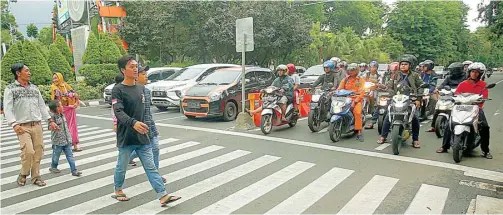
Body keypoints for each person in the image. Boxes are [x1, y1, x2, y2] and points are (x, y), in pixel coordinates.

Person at [111, 56, 181, 206]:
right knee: (121, 166)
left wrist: (148, 129)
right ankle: (118, 189)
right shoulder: (118, 90)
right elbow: (118, 111)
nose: (135, 69)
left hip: (143, 136)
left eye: (136, 66)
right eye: (131, 66)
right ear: (123, 70)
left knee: (151, 167)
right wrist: (133, 123)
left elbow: (145, 113)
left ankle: (162, 195)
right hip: (126, 137)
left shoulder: (142, 89)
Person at [3, 63, 59, 187]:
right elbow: (7, 109)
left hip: (37, 125)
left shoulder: (34, 88)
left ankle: (36, 177)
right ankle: (23, 173)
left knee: (38, 152)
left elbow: (41, 106)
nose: (29, 73)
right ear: (18, 73)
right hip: (22, 126)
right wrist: (14, 124)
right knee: (28, 151)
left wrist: (50, 121)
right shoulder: (10, 89)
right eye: (26, 71)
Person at [437, 62, 492, 159]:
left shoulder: (483, 85)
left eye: (477, 72)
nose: (474, 74)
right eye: (472, 72)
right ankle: (444, 146)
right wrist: (454, 98)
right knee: (449, 124)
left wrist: (478, 101)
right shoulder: (462, 84)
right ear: (469, 72)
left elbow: (484, 98)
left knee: (485, 127)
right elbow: (457, 94)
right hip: (461, 107)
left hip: (476, 108)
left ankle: (485, 150)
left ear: (481, 74)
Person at [127, 66, 167, 183]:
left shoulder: (147, 91)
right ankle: (126, 160)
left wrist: (152, 128)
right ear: (136, 76)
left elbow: (147, 112)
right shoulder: (130, 91)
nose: (146, 76)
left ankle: (156, 176)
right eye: (143, 74)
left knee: (155, 148)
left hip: (149, 126)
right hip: (137, 127)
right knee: (141, 149)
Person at [377, 54, 422, 148]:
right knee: (387, 116)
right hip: (396, 99)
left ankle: (415, 139)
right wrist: (391, 95)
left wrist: (418, 99)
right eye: (402, 64)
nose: (403, 66)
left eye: (406, 64)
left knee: (415, 118)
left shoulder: (415, 76)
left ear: (410, 65)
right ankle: (383, 136)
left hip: (410, 100)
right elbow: (389, 87)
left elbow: (420, 87)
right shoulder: (394, 75)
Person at [426, 62, 466, 132]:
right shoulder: (448, 77)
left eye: (452, 70)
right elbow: (442, 85)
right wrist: (437, 89)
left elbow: (467, 85)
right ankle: (433, 126)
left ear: (457, 70)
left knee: (462, 109)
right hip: (448, 94)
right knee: (438, 109)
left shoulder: (465, 77)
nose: (450, 72)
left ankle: (461, 124)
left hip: (460, 96)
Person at [47, 100, 82, 176]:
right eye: (60, 106)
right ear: (55, 109)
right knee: (56, 156)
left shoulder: (63, 115)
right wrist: (54, 127)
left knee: (70, 156)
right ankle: (53, 166)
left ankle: (74, 170)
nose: (62, 107)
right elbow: (49, 127)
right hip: (58, 142)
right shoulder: (52, 117)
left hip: (67, 140)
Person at [51, 72, 82, 152]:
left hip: (70, 108)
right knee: (60, 127)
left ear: (60, 78)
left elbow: (75, 94)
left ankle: (75, 145)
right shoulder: (53, 87)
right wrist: (71, 94)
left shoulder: (66, 85)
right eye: (53, 78)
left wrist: (75, 101)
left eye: (56, 78)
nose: (55, 80)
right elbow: (59, 95)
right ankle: (58, 145)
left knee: (72, 126)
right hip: (59, 109)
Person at [337, 63, 365, 141]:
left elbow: (362, 92)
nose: (351, 71)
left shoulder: (361, 80)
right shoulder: (345, 79)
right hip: (345, 99)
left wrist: (355, 102)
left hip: (356, 100)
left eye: (353, 70)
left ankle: (359, 131)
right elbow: (339, 89)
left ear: (357, 71)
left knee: (357, 112)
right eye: (349, 70)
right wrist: (335, 93)